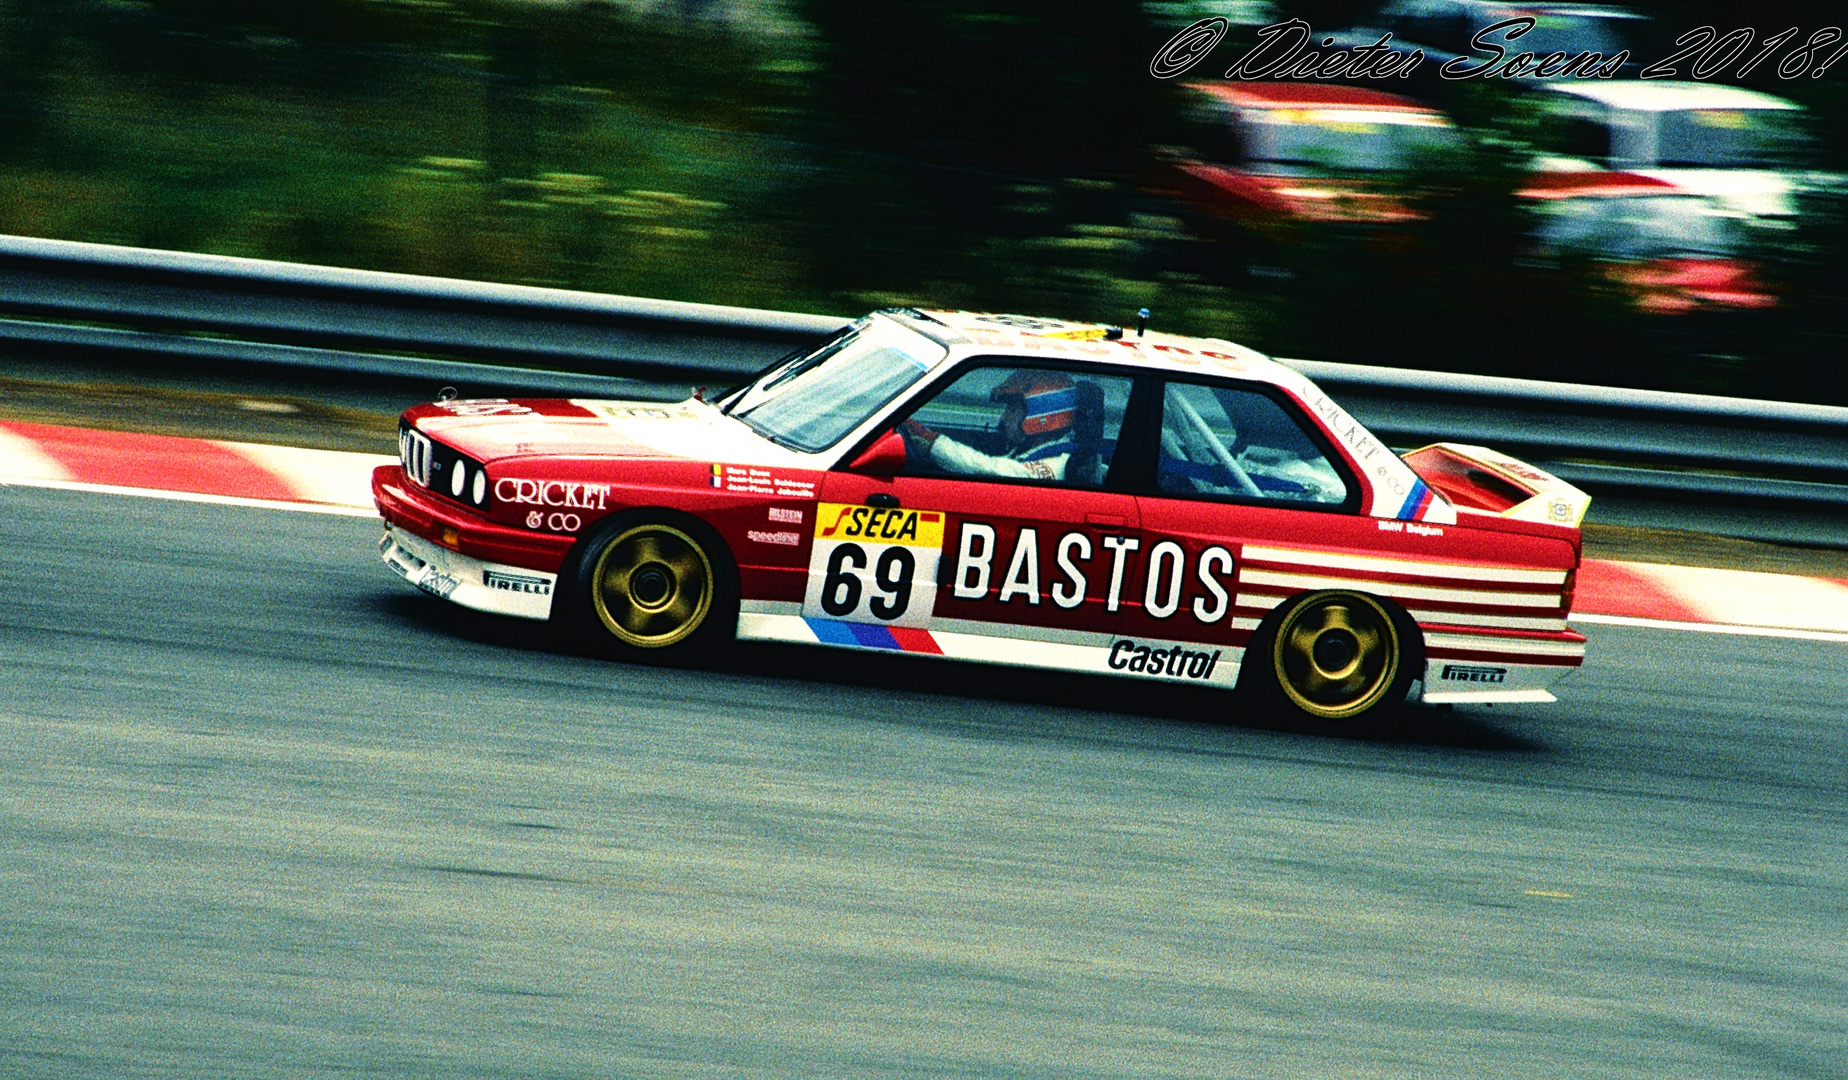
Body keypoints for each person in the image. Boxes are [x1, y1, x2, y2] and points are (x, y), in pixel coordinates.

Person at [899, 371, 1078, 481]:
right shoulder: (1031, 451)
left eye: (1012, 410)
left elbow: (989, 469)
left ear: (1041, 416)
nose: (1004, 417)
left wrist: (933, 442)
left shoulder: (1052, 467)